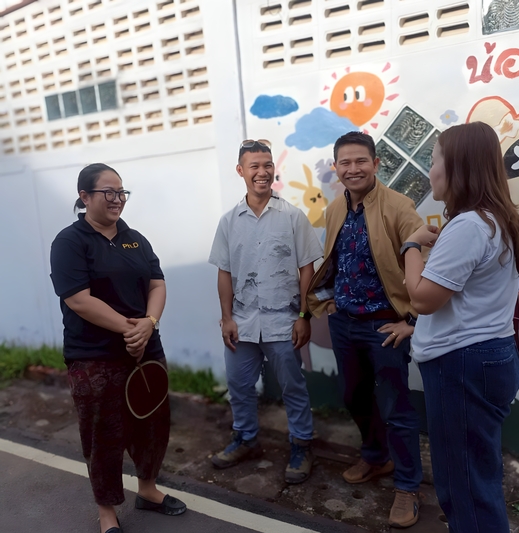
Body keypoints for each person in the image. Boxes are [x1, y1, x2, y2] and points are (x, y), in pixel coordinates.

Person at [403, 122, 519, 532]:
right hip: (487, 356)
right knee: (477, 474)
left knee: (465, 487)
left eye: (434, 160)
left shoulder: (469, 226)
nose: (430, 171)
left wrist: (411, 245)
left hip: (461, 366)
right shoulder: (495, 219)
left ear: (458, 166)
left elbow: (422, 298)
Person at [50, 164, 186, 533]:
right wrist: (132, 329)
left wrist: (149, 324)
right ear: (84, 196)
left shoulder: (135, 239)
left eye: (122, 192)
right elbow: (78, 299)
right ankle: (107, 512)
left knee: (153, 424)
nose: (117, 199)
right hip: (95, 357)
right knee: (103, 436)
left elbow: (157, 283)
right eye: (108, 192)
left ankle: (148, 490)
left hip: (146, 352)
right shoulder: (69, 242)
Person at [307, 131, 424, 528]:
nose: (353, 169)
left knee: (395, 407)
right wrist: (329, 302)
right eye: (345, 162)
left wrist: (411, 320)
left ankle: (407, 487)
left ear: (376, 164)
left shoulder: (400, 206)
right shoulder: (335, 208)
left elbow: (425, 261)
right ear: (336, 168)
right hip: (345, 322)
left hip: (384, 325)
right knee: (354, 396)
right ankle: (375, 458)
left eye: (361, 161)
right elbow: (335, 259)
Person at [208, 139, 322, 484]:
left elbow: (307, 270)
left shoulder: (292, 217)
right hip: (242, 323)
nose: (262, 172)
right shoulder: (229, 221)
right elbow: (225, 272)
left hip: (283, 322)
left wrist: (303, 317)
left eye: (267, 165)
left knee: (292, 387)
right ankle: (246, 439)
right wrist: (227, 318)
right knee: (239, 385)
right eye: (254, 166)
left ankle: (302, 444)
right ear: (240, 171)